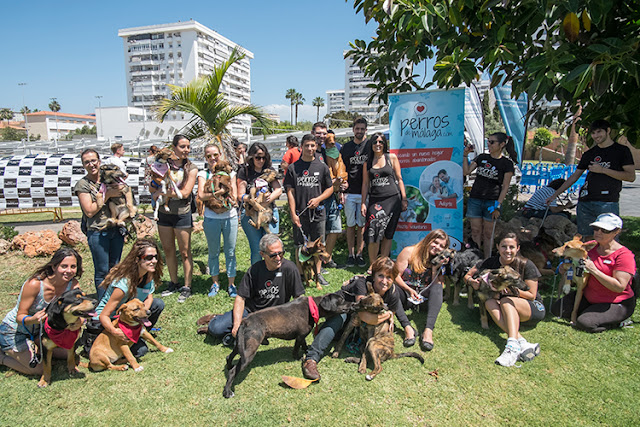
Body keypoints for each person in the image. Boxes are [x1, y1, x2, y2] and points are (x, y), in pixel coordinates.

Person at [301, 257, 411, 381]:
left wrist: (391, 314)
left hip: (357, 324)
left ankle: (332, 334)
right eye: (381, 276)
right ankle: (311, 358)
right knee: (338, 320)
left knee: (353, 332)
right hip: (343, 308)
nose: (384, 281)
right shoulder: (362, 284)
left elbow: (391, 313)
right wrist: (387, 314)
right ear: (373, 276)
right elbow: (364, 315)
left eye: (389, 277)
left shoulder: (393, 293)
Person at [205, 234, 305, 344]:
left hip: (276, 315)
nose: (278, 258)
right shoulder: (255, 270)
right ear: (262, 254)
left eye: (281, 253)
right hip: (251, 312)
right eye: (273, 255)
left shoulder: (290, 268)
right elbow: (240, 298)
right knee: (216, 328)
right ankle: (215, 318)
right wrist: (237, 325)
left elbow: (298, 298)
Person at [464, 232, 544, 367]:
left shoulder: (526, 264)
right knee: (489, 302)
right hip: (506, 307)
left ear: (518, 248)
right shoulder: (490, 262)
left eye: (512, 247)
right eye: (504, 246)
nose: (508, 251)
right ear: (497, 247)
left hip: (531, 307)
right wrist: (472, 282)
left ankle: (512, 345)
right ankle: (522, 342)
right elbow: (467, 276)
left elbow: (532, 295)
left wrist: (513, 291)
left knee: (507, 300)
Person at [546, 120, 635, 238]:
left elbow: (630, 176)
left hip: (607, 202)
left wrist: (603, 170)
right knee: (584, 240)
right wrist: (554, 195)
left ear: (608, 131)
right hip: (584, 202)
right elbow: (574, 176)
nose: (596, 136)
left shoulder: (621, 151)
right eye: (593, 133)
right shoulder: (590, 153)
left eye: (599, 132)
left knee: (608, 240)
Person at [0, 248, 82, 375]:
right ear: (54, 266)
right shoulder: (35, 284)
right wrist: (33, 319)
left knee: (68, 353)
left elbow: (80, 310)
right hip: (15, 331)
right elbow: (19, 316)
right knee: (39, 369)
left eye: (73, 266)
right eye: (64, 266)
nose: (69, 271)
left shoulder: (73, 285)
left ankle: (36, 346)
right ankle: (2, 358)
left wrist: (80, 321)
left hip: (42, 332)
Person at [551, 213, 636, 332]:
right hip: (589, 296)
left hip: (615, 302)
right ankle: (591, 311)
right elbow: (578, 271)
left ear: (616, 232)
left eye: (604, 230)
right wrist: (566, 268)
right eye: (596, 228)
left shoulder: (624, 255)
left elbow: (619, 287)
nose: (598, 232)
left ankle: (619, 321)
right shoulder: (589, 248)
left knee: (585, 323)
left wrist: (595, 270)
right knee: (557, 309)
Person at [89, 239, 165, 358]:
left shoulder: (148, 275)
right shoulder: (123, 284)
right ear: (137, 259)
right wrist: (114, 332)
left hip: (127, 318)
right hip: (107, 321)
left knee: (158, 304)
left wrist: (142, 314)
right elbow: (104, 315)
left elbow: (149, 298)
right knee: (141, 351)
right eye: (149, 258)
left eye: (156, 257)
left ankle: (137, 333)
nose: (154, 261)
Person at [75, 149, 125, 300]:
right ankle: (102, 304)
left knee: (115, 268)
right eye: (87, 162)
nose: (91, 164)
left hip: (115, 229)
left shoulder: (109, 178)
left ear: (99, 161)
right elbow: (89, 211)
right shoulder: (83, 185)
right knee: (102, 270)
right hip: (97, 231)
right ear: (83, 165)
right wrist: (107, 195)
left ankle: (113, 301)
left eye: (93, 160)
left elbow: (124, 192)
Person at [284, 134, 333, 288]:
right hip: (300, 214)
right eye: (307, 145)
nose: (310, 149)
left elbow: (330, 188)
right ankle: (299, 276)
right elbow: (290, 192)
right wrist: (293, 213)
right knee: (299, 246)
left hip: (318, 213)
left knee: (319, 245)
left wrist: (318, 199)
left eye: (313, 145)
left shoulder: (322, 166)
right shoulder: (293, 168)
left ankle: (318, 274)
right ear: (301, 147)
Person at [154, 134, 198, 303]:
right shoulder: (162, 165)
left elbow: (185, 193)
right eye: (182, 146)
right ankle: (173, 283)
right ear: (173, 147)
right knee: (168, 250)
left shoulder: (191, 167)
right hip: (164, 214)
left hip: (182, 213)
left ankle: (187, 286)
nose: (186, 150)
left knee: (185, 252)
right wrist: (157, 190)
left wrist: (162, 192)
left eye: (188, 146)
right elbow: (154, 185)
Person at [463, 132, 517, 258]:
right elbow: (466, 171)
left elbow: (505, 187)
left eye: (492, 142)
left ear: (502, 144)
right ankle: (475, 259)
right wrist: (465, 155)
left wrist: (498, 205)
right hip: (475, 199)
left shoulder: (507, 164)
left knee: (488, 233)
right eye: (488, 141)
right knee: (475, 231)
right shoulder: (482, 157)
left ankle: (487, 259)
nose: (489, 144)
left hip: (492, 202)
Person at [394, 229, 449, 351]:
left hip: (423, 298)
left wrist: (435, 269)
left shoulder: (440, 261)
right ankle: (407, 328)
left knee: (438, 287)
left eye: (441, 246)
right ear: (428, 240)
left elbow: (438, 284)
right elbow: (395, 276)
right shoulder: (409, 252)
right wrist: (408, 289)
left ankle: (428, 331)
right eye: (435, 242)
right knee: (392, 289)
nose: (437, 247)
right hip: (406, 294)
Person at [197, 143, 238, 298]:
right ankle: (215, 283)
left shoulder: (231, 173)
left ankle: (231, 284)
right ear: (205, 158)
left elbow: (233, 193)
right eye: (209, 156)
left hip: (230, 216)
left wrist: (222, 193)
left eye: (215, 155)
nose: (212, 158)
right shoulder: (203, 174)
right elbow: (201, 195)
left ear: (220, 154)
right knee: (213, 252)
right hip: (211, 218)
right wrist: (220, 192)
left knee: (231, 251)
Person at [361, 132, 407, 267]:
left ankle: (383, 263)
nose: (378, 144)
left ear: (384, 144)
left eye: (381, 142)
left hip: (393, 199)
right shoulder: (367, 162)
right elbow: (365, 184)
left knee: (388, 233)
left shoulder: (391, 158)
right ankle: (373, 264)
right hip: (375, 200)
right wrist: (363, 203)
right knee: (373, 232)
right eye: (375, 142)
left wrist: (404, 198)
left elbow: (399, 179)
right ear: (371, 144)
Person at [237, 142, 282, 265]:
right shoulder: (244, 171)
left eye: (263, 157)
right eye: (258, 157)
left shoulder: (269, 171)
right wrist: (252, 200)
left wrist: (269, 198)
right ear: (251, 157)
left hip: (269, 212)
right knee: (257, 250)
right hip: (251, 214)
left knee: (273, 247)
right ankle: (257, 279)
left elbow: (278, 189)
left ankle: (273, 276)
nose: (261, 160)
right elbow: (239, 195)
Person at [313, 122, 346, 269]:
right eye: (318, 133)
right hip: (319, 197)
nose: (322, 136)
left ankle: (327, 258)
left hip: (333, 196)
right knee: (321, 232)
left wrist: (342, 187)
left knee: (335, 229)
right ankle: (319, 263)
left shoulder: (328, 152)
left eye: (324, 133)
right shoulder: (311, 152)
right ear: (313, 133)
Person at [341, 117, 369, 267]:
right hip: (350, 193)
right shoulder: (346, 147)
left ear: (366, 130)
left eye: (362, 129)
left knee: (362, 225)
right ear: (353, 129)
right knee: (350, 225)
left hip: (365, 192)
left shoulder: (370, 145)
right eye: (357, 129)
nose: (359, 131)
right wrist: (341, 190)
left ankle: (360, 254)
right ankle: (350, 254)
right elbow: (341, 169)